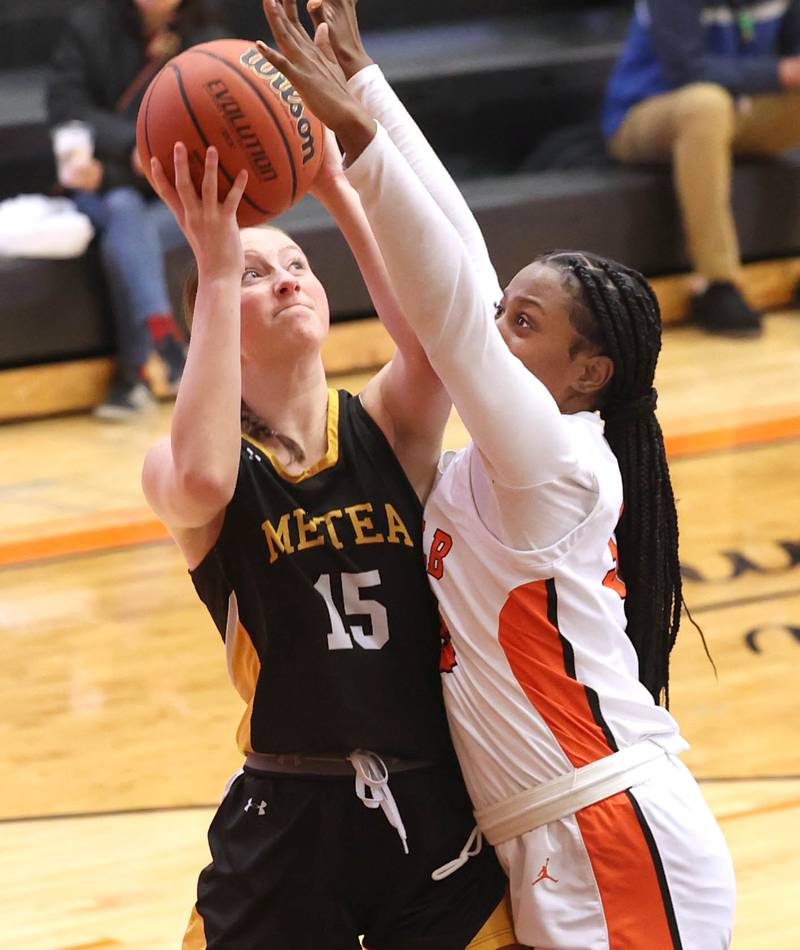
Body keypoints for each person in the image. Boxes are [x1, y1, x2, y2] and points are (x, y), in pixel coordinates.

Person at [260, 0, 737, 946]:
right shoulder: (499, 459)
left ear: (587, 373)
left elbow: (445, 302)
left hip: (609, 827)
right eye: (505, 311)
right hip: (543, 839)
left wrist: (356, 143)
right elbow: (464, 256)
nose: (494, 326)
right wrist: (363, 78)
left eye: (524, 324)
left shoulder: (557, 463)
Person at [140, 44, 516, 949]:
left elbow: (437, 345)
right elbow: (202, 484)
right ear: (212, 313)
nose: (289, 278)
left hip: (431, 796)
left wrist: (338, 192)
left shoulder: (386, 423)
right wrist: (218, 265)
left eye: (297, 263)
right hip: (288, 806)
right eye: (257, 271)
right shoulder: (186, 462)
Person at [47, 0, 223, 420]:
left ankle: (135, 377)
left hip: (171, 192)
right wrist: (133, 145)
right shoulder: (89, 25)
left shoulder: (207, 36)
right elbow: (67, 109)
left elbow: (214, 121)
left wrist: (156, 148)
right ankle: (164, 344)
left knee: (125, 236)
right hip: (102, 183)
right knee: (125, 212)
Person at [602, 0, 800, 337]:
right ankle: (716, 282)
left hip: (736, 109)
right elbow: (686, 70)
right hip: (646, 113)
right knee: (706, 104)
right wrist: (779, 72)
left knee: (715, 106)